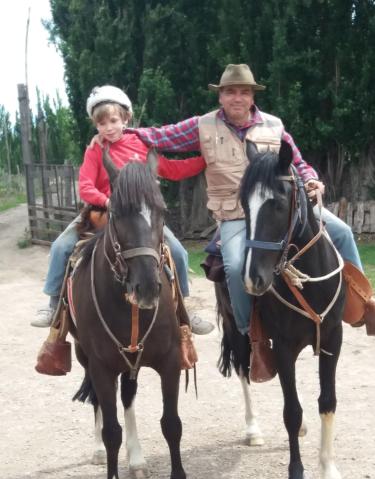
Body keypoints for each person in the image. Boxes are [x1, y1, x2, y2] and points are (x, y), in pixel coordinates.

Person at [99, 63, 374, 346]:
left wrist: (312, 179)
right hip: (234, 214)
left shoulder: (274, 126)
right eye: (230, 92)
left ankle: (365, 303)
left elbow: (297, 162)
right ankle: (248, 333)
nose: (237, 98)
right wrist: (118, 133)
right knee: (234, 266)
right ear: (221, 97)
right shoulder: (202, 126)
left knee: (342, 232)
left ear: (252, 97)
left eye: (244, 92)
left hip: (279, 208)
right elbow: (161, 136)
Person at [31, 85, 214, 338]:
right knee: (61, 246)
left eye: (113, 120)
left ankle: (183, 308)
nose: (108, 127)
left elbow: (172, 169)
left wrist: (207, 160)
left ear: (126, 119)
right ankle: (53, 304)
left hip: (139, 215)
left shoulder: (140, 145)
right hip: (99, 213)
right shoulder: (95, 149)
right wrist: (106, 201)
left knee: (179, 253)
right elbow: (85, 186)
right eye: (101, 123)